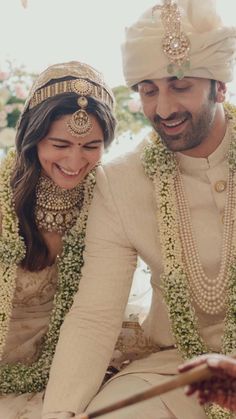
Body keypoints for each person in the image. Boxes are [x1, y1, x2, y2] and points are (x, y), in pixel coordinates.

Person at [42, 1, 236, 418]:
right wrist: (58, 414)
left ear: (219, 86)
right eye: (149, 90)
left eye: (179, 85)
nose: (163, 109)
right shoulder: (121, 182)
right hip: (174, 372)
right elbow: (94, 316)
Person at [0, 60, 116, 419]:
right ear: (33, 140)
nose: (74, 160)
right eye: (61, 144)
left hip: (77, 350)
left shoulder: (110, 198)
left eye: (91, 146)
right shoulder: (4, 197)